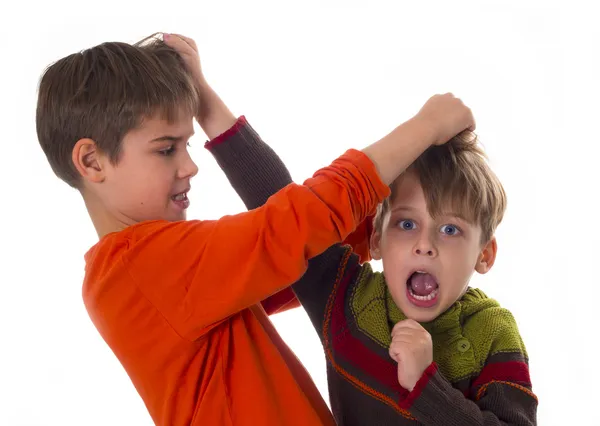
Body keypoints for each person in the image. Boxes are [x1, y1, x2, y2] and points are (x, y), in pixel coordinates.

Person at [35, 32, 474, 425]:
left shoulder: (154, 272)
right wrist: (424, 127)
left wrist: (371, 230)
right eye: (166, 149)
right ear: (92, 162)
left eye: (186, 144)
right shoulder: (140, 267)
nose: (189, 166)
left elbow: (289, 264)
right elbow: (287, 227)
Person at [215, 61, 538, 426]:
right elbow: (281, 207)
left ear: (485, 254)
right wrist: (207, 105)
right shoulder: (347, 299)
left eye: (450, 230)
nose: (425, 245)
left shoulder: (493, 331)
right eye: (406, 223)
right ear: (376, 239)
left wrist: (425, 386)